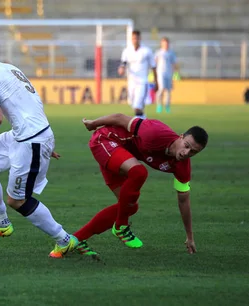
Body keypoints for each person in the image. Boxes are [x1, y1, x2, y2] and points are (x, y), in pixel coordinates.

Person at [0, 32, 78, 258]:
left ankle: (64, 240)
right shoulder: (9, 68)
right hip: (26, 135)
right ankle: (1, 223)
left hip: (30, 139)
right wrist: (45, 140)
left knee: (17, 200)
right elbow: (31, 101)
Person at [72, 113, 208, 256]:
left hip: (120, 155)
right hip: (105, 140)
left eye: (193, 152)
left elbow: (184, 200)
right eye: (186, 146)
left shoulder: (182, 166)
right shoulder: (156, 132)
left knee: (129, 206)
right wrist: (93, 123)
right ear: (181, 137)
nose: (186, 153)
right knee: (139, 172)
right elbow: (119, 118)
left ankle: (75, 240)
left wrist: (190, 236)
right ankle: (120, 226)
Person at [119, 30, 157, 119]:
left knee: (137, 106)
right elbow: (123, 63)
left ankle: (139, 129)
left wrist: (156, 82)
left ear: (140, 39)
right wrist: (121, 69)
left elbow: (153, 66)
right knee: (134, 106)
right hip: (131, 82)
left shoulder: (146, 51)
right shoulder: (127, 51)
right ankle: (144, 122)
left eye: (136, 38)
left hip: (142, 82)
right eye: (133, 38)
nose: (135, 40)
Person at [154, 37, 179, 113]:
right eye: (164, 43)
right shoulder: (158, 52)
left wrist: (175, 73)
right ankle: (159, 105)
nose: (166, 45)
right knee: (161, 88)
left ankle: (167, 106)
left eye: (167, 43)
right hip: (161, 73)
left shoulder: (171, 53)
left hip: (169, 73)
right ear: (161, 44)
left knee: (168, 90)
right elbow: (154, 62)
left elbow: (174, 63)